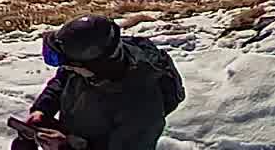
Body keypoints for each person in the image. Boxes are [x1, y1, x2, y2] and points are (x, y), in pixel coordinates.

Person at [12, 15, 181, 150]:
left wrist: (65, 147)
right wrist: (42, 110)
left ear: (90, 67)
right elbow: (61, 81)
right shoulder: (88, 62)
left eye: (68, 64)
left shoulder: (140, 105)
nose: (65, 68)